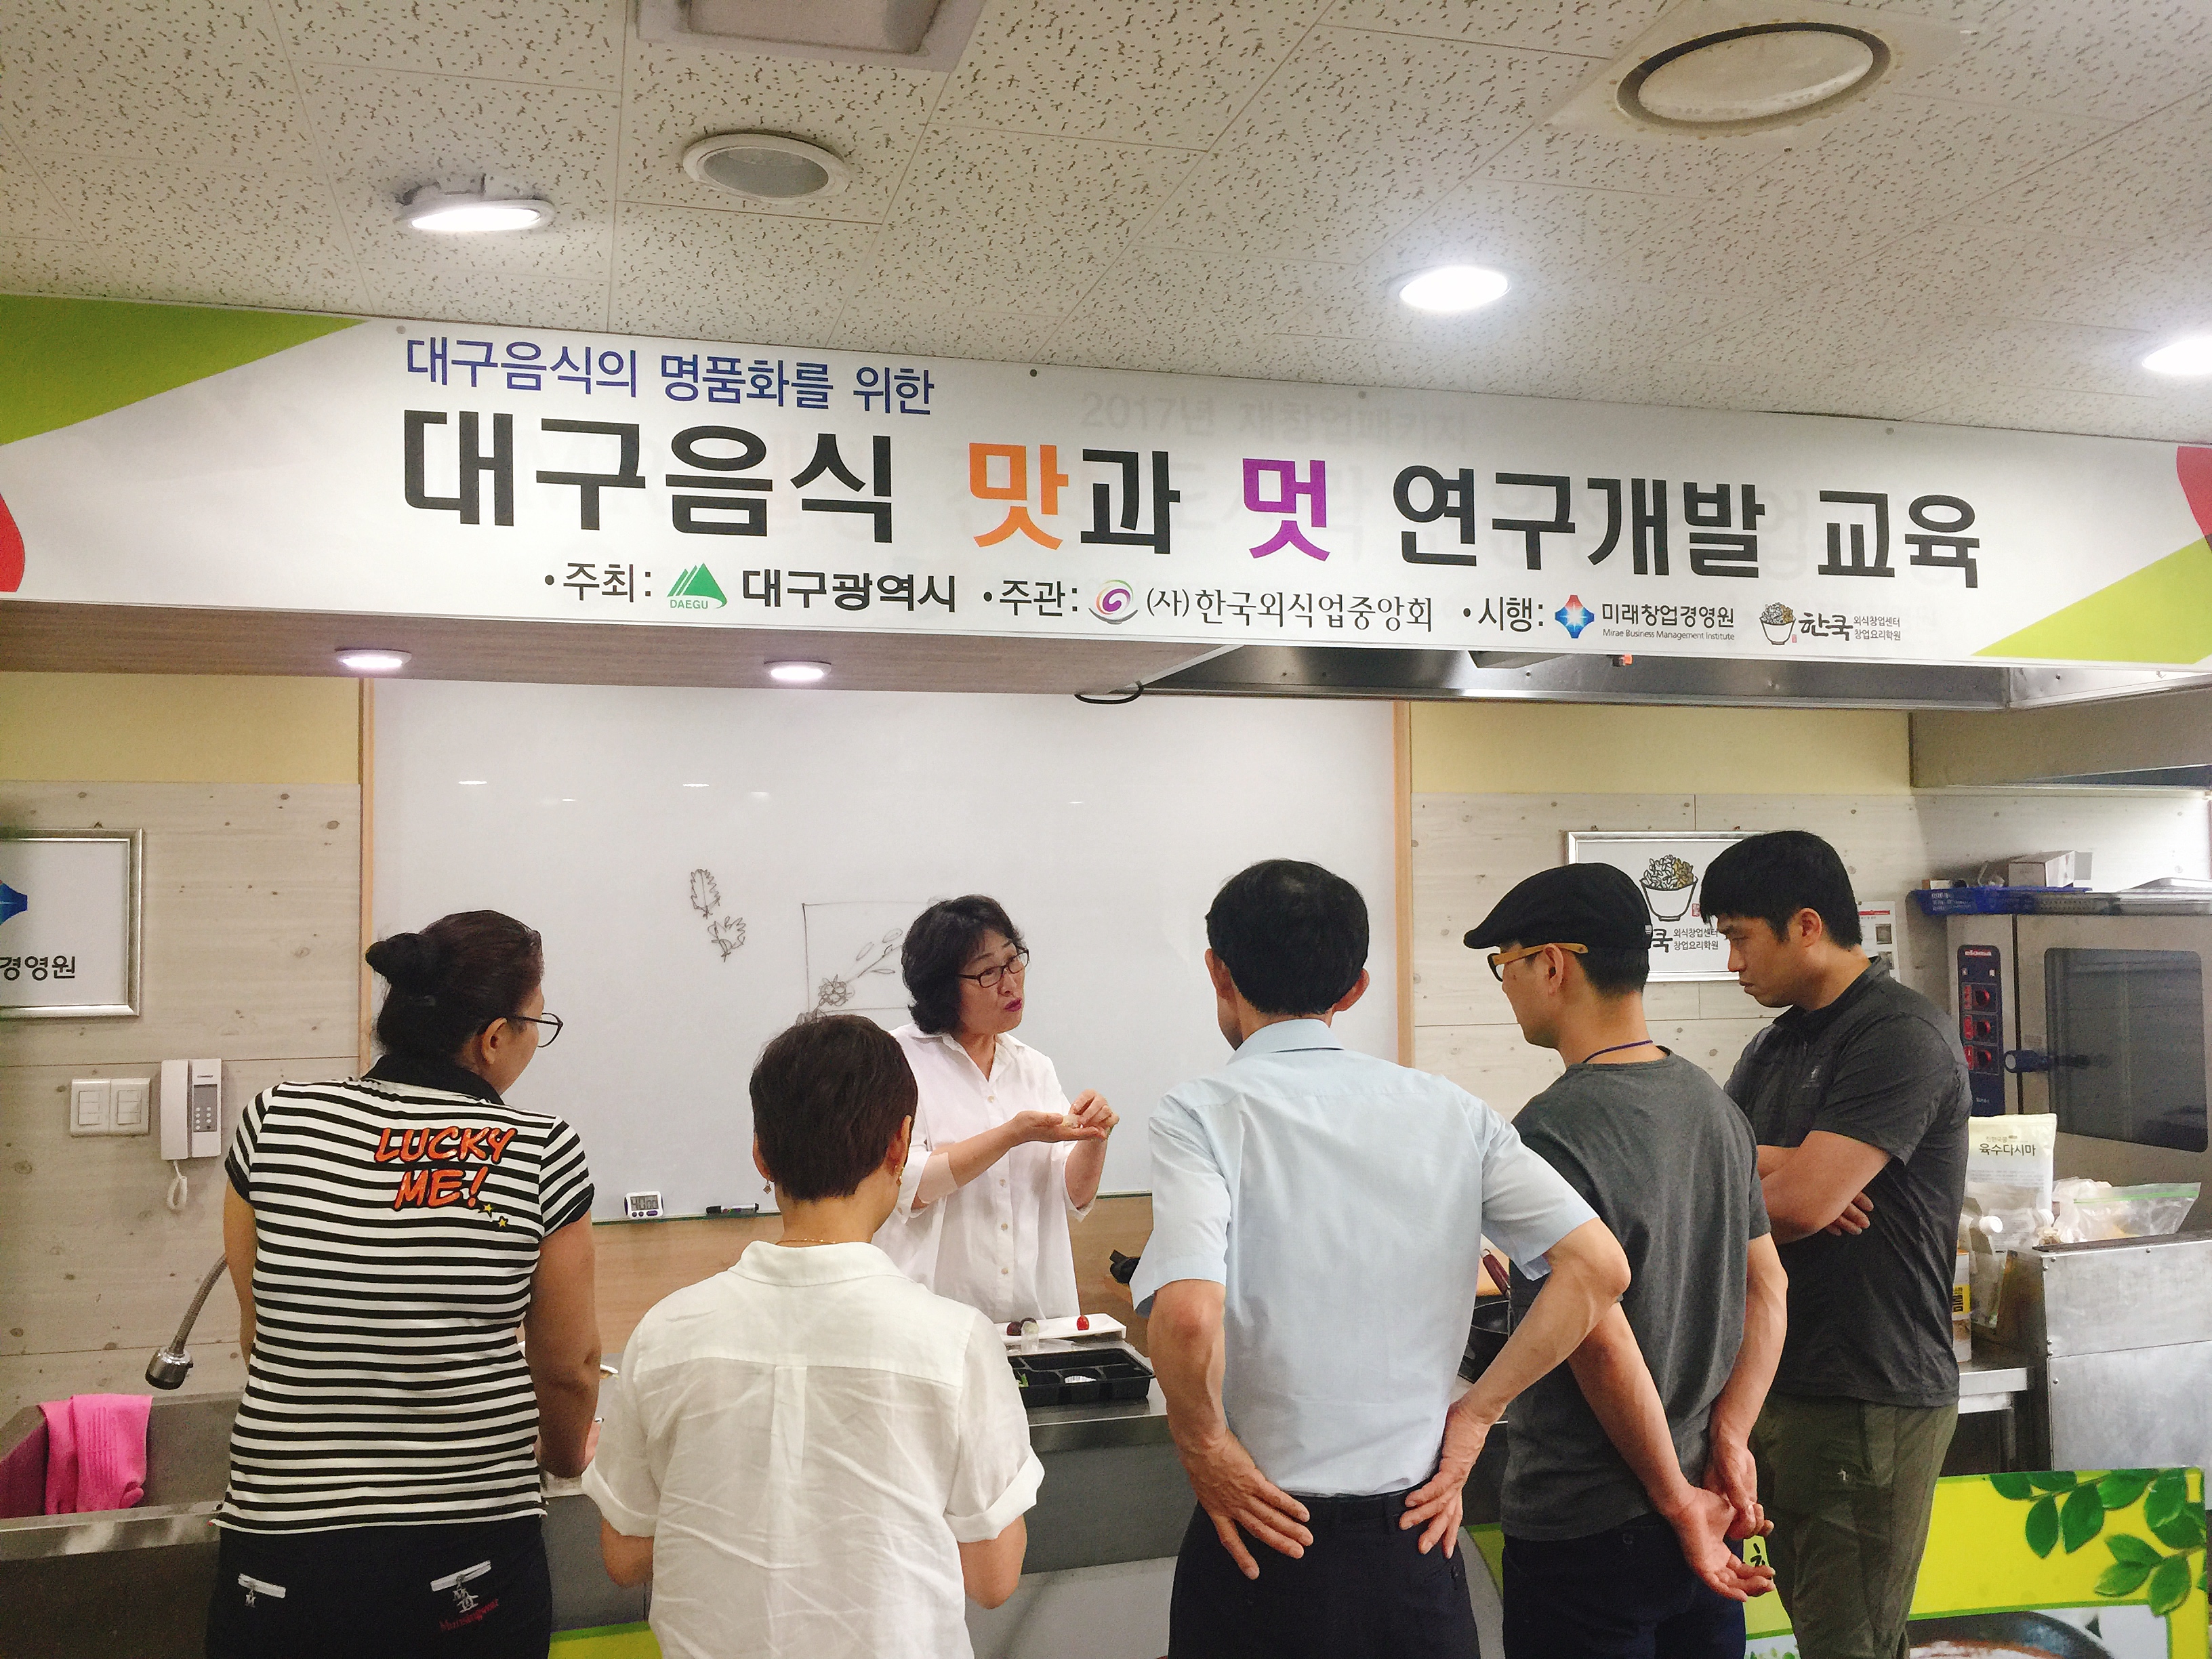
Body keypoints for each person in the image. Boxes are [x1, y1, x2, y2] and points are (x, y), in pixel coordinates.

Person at [1134, 858, 1638, 1659]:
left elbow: (1189, 1318)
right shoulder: (1452, 1112)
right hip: (1413, 1541)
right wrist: (1477, 1416)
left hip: (1262, 1538)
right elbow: (1599, 1269)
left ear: (1218, 972)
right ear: (1357, 988)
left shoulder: (1201, 1113)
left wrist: (1205, 1446)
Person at [207, 911, 600, 1659]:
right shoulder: (539, 1150)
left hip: (281, 1547)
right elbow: (568, 1367)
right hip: (466, 1547)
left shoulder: (275, 1119)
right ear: (493, 1038)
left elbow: (262, 1331)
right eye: (537, 1024)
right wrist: (566, 1458)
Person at [584, 1014, 1038, 1659]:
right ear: (900, 1144)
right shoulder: (955, 1342)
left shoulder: (665, 1334)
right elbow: (993, 1579)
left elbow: (625, 1556)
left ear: (760, 1153)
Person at [1464, 863, 1786, 1658]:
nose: (1507, 987)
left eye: (1505, 965)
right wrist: (1729, 1441)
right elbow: (1769, 1287)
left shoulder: (1551, 1130)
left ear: (1552, 964)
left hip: (1589, 1523)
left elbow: (1598, 1338)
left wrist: (1676, 1500)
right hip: (1707, 1504)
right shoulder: (1712, 1105)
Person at [1702, 830, 1970, 1659]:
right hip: (1778, 1381)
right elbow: (1710, 1162)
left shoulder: (1899, 1034)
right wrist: (1788, 1163)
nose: (1733, 963)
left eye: (1741, 938)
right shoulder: (1776, 1044)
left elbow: (1801, 1206)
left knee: (1849, 1645)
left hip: (1867, 1391)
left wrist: (1791, 1181)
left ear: (1807, 925)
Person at [873, 895, 1117, 1324]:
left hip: (1035, 1323)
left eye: (1013, 961)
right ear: (943, 988)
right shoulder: (897, 1059)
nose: (1010, 983)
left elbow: (1072, 1196)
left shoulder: (1034, 1067)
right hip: (935, 1324)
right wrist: (1011, 1134)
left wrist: (1094, 1139)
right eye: (988, 972)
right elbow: (907, 1186)